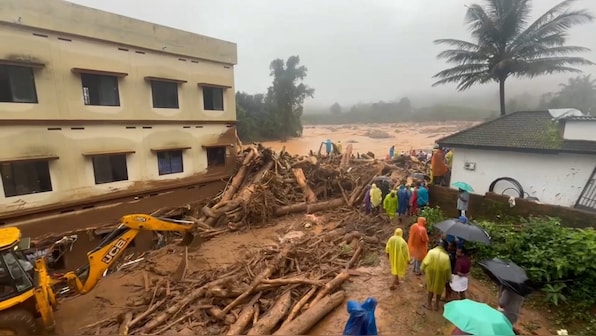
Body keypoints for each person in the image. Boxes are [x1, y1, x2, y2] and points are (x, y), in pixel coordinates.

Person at [421, 240, 452, 311]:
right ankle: (436, 305)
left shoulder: (431, 252)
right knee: (439, 290)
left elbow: (425, 262)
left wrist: (422, 269)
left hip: (430, 272)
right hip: (440, 275)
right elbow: (447, 268)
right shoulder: (446, 256)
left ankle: (429, 304)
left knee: (430, 289)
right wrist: (448, 278)